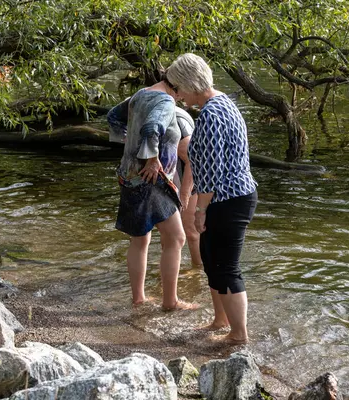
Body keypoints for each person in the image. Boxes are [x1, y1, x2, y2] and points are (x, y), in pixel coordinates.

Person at [165, 53, 258, 344]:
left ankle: (238, 334)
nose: (178, 94)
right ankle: (220, 321)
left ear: (192, 83)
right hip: (230, 195)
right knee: (209, 257)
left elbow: (213, 169)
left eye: (179, 87)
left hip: (228, 199)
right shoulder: (222, 103)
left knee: (226, 266)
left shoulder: (212, 114)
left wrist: (200, 209)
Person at [107, 79, 196, 311]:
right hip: (153, 180)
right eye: (186, 89)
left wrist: (128, 142)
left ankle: (139, 299)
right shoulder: (166, 101)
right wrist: (152, 158)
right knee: (176, 238)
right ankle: (171, 302)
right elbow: (152, 128)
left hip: (129, 176)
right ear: (178, 84)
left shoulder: (140, 94)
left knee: (140, 239)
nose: (186, 96)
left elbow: (113, 116)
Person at [173, 108, 202, 268]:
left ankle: (199, 269)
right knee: (170, 234)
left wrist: (184, 194)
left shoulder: (177, 123)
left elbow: (193, 161)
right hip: (172, 180)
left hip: (191, 180)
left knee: (191, 231)